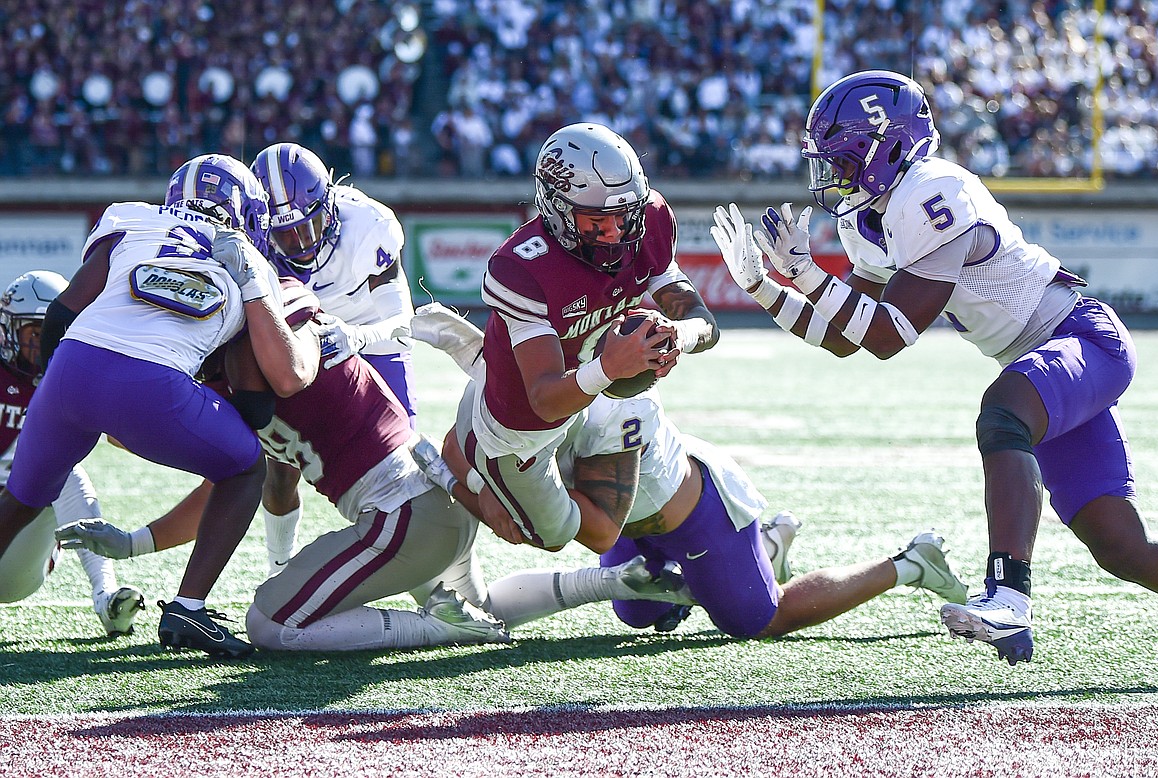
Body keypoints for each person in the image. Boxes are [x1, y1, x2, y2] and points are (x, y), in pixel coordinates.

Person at [713, 69, 1158, 665]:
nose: (834, 173)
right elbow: (851, 337)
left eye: (844, 157)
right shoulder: (866, 217)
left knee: (1002, 412)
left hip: (1083, 338)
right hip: (1041, 360)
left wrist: (806, 276)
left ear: (885, 146)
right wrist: (767, 288)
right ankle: (1012, 603)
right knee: (1119, 546)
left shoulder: (932, 191)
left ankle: (1008, 597)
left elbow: (892, 332)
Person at [57, 284, 690, 652]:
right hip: (426, 506)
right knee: (477, 610)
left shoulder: (274, 334)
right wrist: (137, 542)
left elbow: (239, 470)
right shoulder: (266, 334)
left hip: (404, 512)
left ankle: (435, 629)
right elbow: (231, 479)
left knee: (270, 624)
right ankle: (613, 581)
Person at [420, 320, 969, 639]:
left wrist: (500, 501)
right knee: (639, 614)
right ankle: (767, 548)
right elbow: (456, 446)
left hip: (694, 513)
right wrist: (486, 493)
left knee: (756, 619)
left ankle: (908, 563)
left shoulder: (617, 405)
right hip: (629, 516)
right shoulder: (502, 383)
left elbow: (598, 532)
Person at [1, 153, 318, 660]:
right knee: (244, 468)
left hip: (72, 369)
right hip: (152, 385)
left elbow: (64, 309)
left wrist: (58, 397)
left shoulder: (135, 221)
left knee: (19, 502)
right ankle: (188, 608)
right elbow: (257, 405)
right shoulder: (246, 264)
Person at [463, 122, 719, 556]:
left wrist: (680, 333)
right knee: (558, 535)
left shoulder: (651, 219)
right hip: (521, 423)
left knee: (605, 528)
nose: (617, 233)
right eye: (597, 221)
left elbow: (704, 322)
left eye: (625, 216)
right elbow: (543, 398)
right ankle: (457, 470)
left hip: (584, 382)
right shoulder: (522, 266)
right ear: (558, 208)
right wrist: (609, 367)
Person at [248, 142, 418, 576]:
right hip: (300, 338)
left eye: (308, 227)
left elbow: (402, 322)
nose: (301, 246)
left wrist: (358, 336)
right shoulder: (253, 240)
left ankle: (429, 576)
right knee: (282, 464)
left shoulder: (368, 223)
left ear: (330, 205)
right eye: (285, 235)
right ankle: (278, 567)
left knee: (404, 466)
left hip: (370, 335)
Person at [0, 270, 144, 636]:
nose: (46, 342)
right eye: (35, 332)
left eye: (57, 331)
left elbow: (126, 437)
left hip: (17, 551)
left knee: (62, 470)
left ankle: (106, 595)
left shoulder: (73, 377)